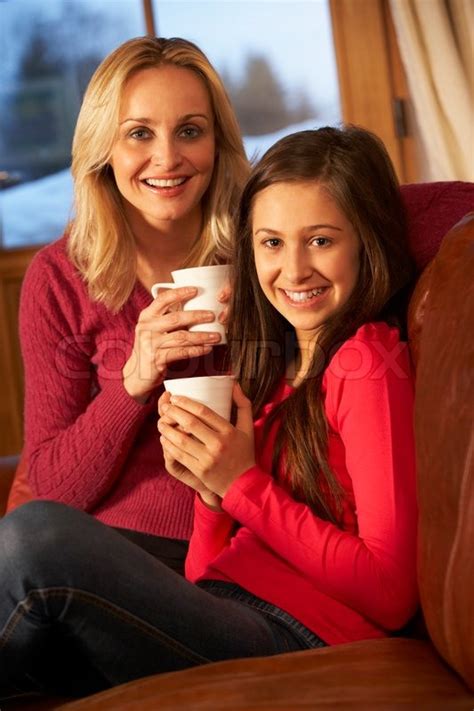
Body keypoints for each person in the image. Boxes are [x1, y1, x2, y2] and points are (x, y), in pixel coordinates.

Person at [0, 126, 418, 699]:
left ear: (368, 241)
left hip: (301, 634)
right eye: (271, 243)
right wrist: (209, 495)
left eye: (320, 240)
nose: (293, 271)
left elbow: (391, 593)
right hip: (226, 604)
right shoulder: (278, 366)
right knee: (38, 645)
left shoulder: (366, 362)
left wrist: (242, 484)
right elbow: (202, 573)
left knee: (35, 538)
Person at [17, 36, 249, 571]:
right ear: (105, 148)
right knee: (26, 542)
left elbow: (428, 209)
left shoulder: (268, 254)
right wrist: (132, 381)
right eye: (139, 134)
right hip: (109, 555)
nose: (167, 158)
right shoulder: (59, 278)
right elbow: (51, 488)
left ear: (217, 143)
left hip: (241, 546)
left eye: (190, 131)